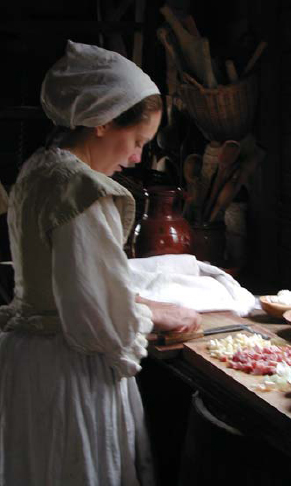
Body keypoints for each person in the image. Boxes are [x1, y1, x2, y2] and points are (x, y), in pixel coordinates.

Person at [0, 40, 201, 486]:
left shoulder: (40, 169)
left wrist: (140, 303)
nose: (135, 158)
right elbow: (100, 325)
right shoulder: (82, 193)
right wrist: (146, 315)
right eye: (136, 142)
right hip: (67, 370)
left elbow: (70, 281)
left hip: (29, 360)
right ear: (103, 122)